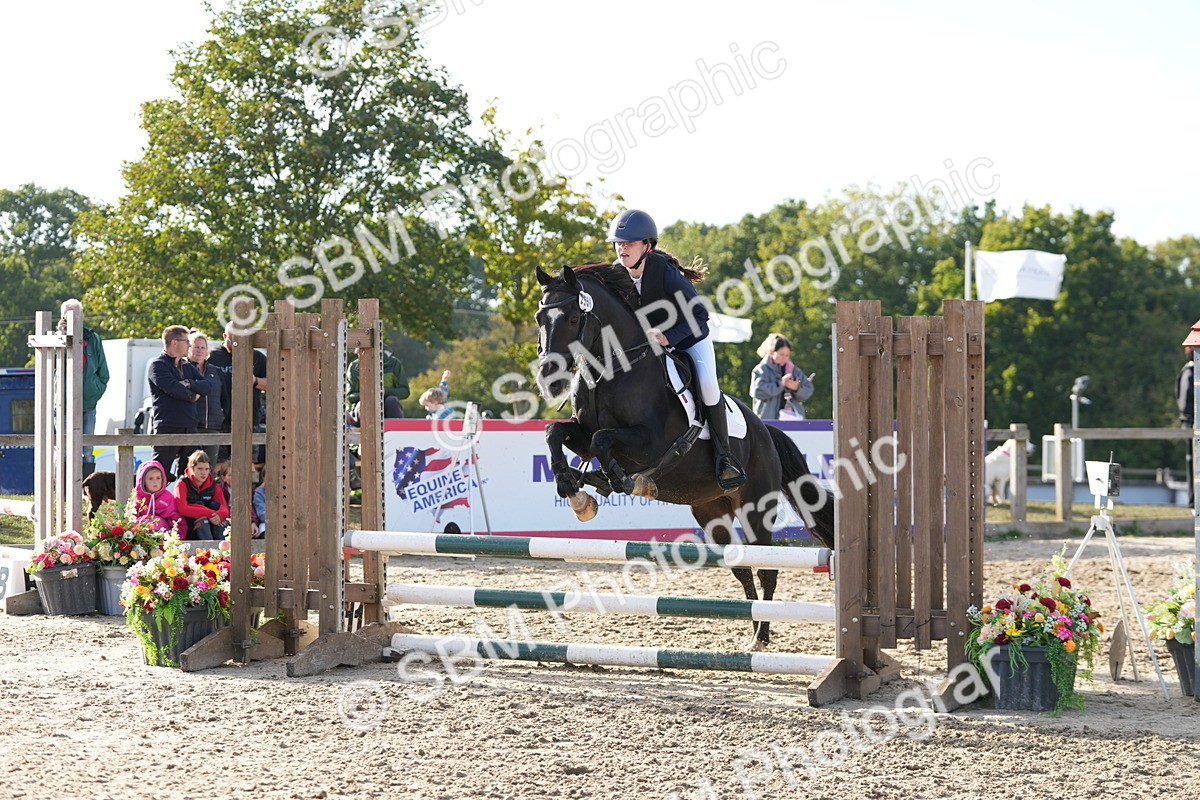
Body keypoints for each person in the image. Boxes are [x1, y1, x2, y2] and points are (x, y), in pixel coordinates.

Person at [606, 209, 746, 489]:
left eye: (629, 243)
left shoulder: (665, 272)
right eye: (618, 243)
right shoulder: (615, 274)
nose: (622, 249)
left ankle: (725, 457)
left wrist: (668, 337)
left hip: (689, 338)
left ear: (648, 246)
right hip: (649, 346)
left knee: (707, 384)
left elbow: (699, 316)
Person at [148, 325, 214, 481]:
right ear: (174, 343)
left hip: (189, 426)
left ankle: (184, 505)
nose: (189, 345)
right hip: (168, 426)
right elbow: (173, 389)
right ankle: (152, 505)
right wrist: (193, 395)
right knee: (157, 474)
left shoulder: (187, 367)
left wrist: (189, 383)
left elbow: (207, 386)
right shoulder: (158, 365)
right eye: (186, 341)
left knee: (190, 477)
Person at [59, 299, 110, 476]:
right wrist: (63, 335)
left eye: (77, 314)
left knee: (87, 448)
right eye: (69, 315)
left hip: (88, 402)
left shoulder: (93, 338)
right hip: (63, 402)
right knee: (64, 446)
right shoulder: (58, 338)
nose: (74, 318)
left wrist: (96, 390)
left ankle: (86, 489)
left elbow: (104, 372)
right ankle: (64, 489)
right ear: (63, 317)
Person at [207, 321, 268, 461]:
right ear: (224, 336)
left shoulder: (257, 357)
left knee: (246, 462)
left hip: (249, 418)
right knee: (219, 464)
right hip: (220, 420)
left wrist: (254, 380)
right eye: (233, 339)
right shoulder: (213, 357)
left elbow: (274, 384)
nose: (237, 343)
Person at [750, 333, 815, 421]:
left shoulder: (794, 370)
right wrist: (781, 384)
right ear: (772, 352)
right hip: (768, 422)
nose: (784, 358)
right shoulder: (761, 369)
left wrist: (797, 388)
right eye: (781, 354)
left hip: (793, 420)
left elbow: (808, 389)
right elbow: (757, 391)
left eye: (787, 355)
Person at [188, 330, 226, 467]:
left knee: (209, 469)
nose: (199, 351)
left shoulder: (215, 371)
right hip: (191, 427)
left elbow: (225, 398)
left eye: (202, 347)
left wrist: (223, 416)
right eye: (196, 347)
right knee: (191, 468)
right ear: (189, 348)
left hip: (213, 426)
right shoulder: (182, 369)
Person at [173, 450, 229, 540]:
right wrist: (210, 514)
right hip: (188, 526)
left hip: (211, 524)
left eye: (206, 469)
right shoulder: (182, 483)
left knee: (218, 511)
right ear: (191, 469)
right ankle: (208, 549)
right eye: (200, 469)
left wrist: (219, 515)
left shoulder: (214, 485)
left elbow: (224, 509)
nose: (204, 473)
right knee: (203, 517)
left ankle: (222, 550)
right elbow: (183, 509)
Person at [346, 346, 410, 423]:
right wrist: (370, 394)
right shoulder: (354, 366)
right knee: (365, 403)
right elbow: (350, 396)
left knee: (392, 401)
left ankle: (397, 429)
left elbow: (405, 391)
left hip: (387, 404)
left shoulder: (394, 364)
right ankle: (366, 431)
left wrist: (384, 392)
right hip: (362, 407)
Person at [1178, 319, 1200, 505]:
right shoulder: (1190, 372)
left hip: (1191, 420)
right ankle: (1194, 500)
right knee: (1193, 461)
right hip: (1191, 422)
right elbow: (1186, 401)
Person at [132, 460, 182, 536]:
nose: (155, 482)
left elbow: (177, 520)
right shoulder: (137, 498)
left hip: (163, 537)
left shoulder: (168, 497)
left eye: (158, 478)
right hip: (140, 537)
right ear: (143, 481)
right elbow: (131, 519)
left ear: (163, 479)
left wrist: (177, 539)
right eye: (151, 479)